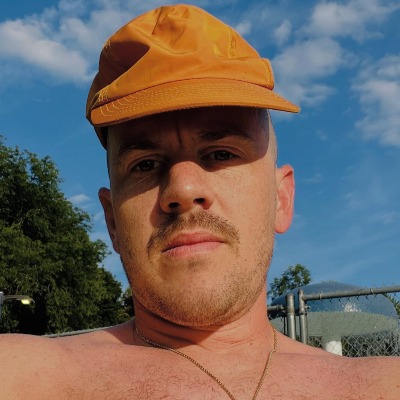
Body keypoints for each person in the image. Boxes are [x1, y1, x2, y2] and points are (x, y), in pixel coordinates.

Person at [1, 4, 399, 399]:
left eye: (221, 153)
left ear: (281, 199)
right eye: (145, 164)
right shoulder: (20, 376)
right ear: (112, 222)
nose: (183, 189)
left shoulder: (384, 385)